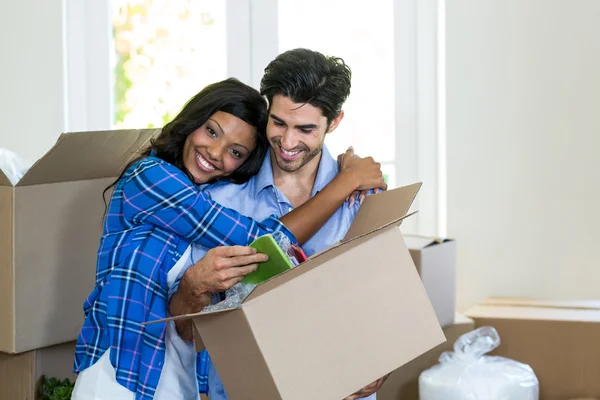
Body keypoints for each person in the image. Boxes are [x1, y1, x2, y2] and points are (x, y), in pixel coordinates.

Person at [71, 78, 386, 400]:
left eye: (236, 151)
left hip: (178, 380)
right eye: (211, 131)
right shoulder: (150, 177)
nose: (215, 152)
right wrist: (347, 180)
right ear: (192, 121)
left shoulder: (209, 195)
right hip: (123, 370)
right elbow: (264, 241)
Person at [170, 49, 389, 400]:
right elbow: (184, 331)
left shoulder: (365, 199)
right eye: (279, 123)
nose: (288, 143)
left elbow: (385, 304)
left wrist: (379, 365)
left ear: (334, 122)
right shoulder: (218, 201)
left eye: (305, 129)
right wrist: (193, 288)